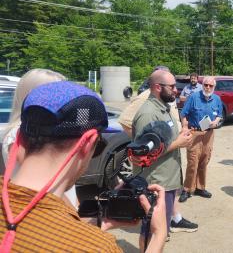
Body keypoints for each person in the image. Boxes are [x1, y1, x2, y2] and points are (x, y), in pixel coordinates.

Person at [0, 81, 167, 252]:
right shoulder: (100, 247)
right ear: (87, 144)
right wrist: (158, 235)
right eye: (99, 145)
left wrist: (97, 224)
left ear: (19, 141)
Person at [132, 70, 195, 248]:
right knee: (153, 232)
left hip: (166, 182)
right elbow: (141, 155)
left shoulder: (162, 107)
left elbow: (161, 142)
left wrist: (180, 135)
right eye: (173, 87)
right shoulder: (148, 114)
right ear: (158, 87)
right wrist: (178, 143)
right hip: (156, 184)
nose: (177, 90)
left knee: (160, 232)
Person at [0, 69, 79, 207]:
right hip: (50, 212)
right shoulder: (21, 132)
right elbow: (44, 184)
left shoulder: (36, 129)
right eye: (56, 93)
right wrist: (74, 217)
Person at [178, 76, 223, 202]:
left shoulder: (217, 99)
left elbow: (219, 114)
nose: (208, 87)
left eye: (211, 85)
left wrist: (216, 121)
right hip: (195, 133)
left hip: (209, 134)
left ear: (214, 87)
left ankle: (200, 187)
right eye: (206, 85)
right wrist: (185, 127)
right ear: (202, 85)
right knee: (193, 162)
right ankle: (187, 189)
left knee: (204, 161)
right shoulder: (193, 97)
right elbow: (183, 114)